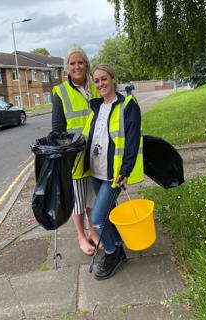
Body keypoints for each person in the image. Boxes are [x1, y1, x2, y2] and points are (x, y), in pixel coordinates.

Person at [80, 64, 144, 280]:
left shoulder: (128, 105)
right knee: (107, 214)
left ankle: (111, 253)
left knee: (97, 219)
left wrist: (126, 170)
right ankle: (117, 247)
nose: (100, 84)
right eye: (96, 80)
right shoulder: (96, 107)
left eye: (104, 79)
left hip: (113, 174)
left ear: (114, 79)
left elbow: (132, 142)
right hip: (96, 171)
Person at [51, 44, 101, 256]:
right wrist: (68, 150)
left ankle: (93, 231)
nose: (77, 66)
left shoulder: (97, 86)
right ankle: (81, 236)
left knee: (92, 197)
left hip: (98, 152)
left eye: (80, 62)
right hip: (76, 156)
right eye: (72, 63)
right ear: (67, 68)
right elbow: (57, 129)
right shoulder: (60, 92)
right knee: (78, 201)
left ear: (86, 65)